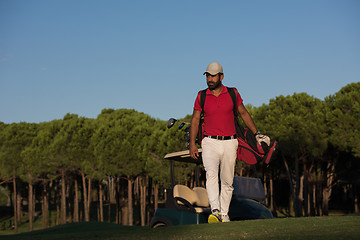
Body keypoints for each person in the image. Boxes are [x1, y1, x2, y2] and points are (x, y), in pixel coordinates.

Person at [189, 62, 269, 223]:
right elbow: (195, 119)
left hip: (230, 142)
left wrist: (257, 134)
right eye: (208, 76)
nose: (210, 79)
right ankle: (216, 211)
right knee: (211, 175)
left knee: (227, 181)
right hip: (209, 142)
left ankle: (224, 214)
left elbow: (244, 113)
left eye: (213, 76)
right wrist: (192, 143)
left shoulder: (233, 93)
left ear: (221, 76)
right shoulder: (201, 95)